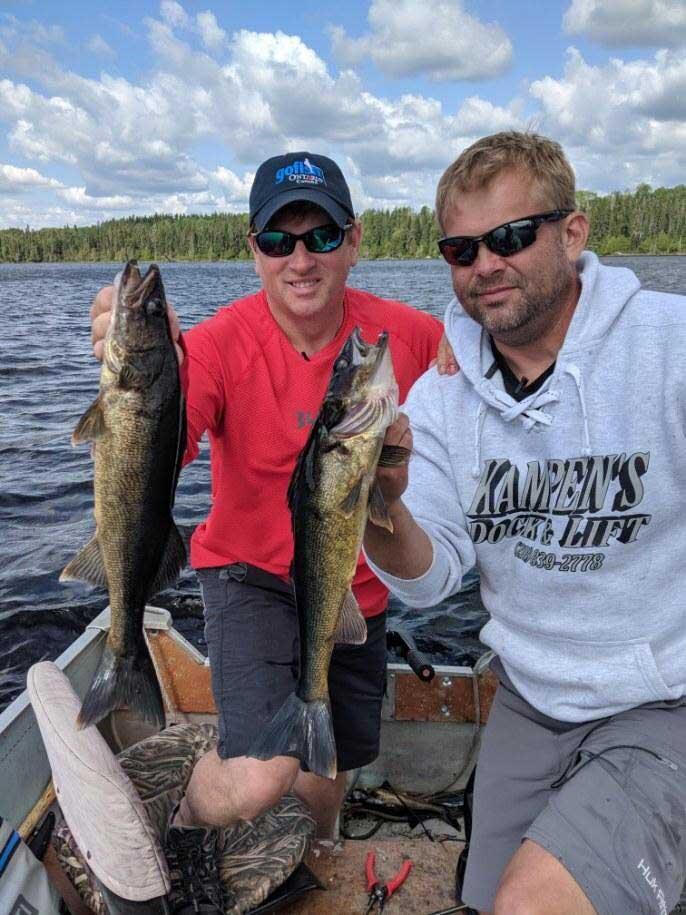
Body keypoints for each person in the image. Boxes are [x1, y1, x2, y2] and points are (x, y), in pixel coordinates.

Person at [90, 151, 443, 911]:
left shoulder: (410, 335)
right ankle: (186, 817)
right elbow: (158, 451)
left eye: (321, 236)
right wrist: (142, 370)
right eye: (279, 240)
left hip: (354, 580)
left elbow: (486, 386)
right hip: (245, 572)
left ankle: (313, 853)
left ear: (355, 241)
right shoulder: (214, 345)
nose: (301, 258)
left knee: (328, 760)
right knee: (260, 773)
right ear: (253, 249)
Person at [364, 130, 686, 915]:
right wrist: (379, 505)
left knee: (532, 904)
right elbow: (431, 572)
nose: (484, 265)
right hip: (529, 698)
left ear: (573, 232)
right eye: (462, 248)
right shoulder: (440, 398)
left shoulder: (669, 345)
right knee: (486, 903)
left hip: (666, 697)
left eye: (510, 237)